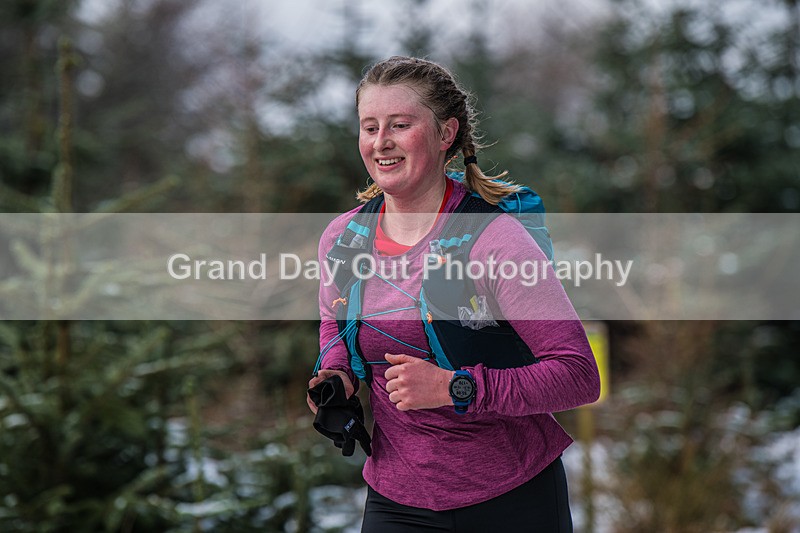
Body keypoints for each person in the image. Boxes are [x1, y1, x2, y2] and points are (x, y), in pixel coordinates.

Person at [307, 56, 600, 533]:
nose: (381, 142)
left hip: (512, 497)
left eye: (400, 125)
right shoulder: (344, 239)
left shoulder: (496, 240)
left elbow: (578, 375)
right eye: (369, 126)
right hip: (395, 498)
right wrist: (336, 372)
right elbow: (333, 319)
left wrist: (454, 388)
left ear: (446, 134)